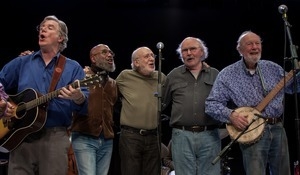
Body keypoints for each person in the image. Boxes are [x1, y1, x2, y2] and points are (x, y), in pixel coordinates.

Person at [0, 15, 88, 175]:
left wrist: (78, 97)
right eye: (41, 27)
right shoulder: (22, 62)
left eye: (49, 27)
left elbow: (85, 105)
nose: (43, 29)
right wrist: (3, 102)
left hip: (54, 137)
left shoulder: (73, 67)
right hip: (20, 136)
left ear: (61, 37)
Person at [205, 31, 300, 175]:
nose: (255, 47)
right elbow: (211, 104)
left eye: (257, 43)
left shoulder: (272, 68)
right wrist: (231, 116)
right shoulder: (227, 74)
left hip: (277, 127)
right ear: (240, 49)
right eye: (249, 44)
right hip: (251, 131)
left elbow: (293, 88)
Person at [162, 36, 221, 175]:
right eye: (184, 50)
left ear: (202, 52)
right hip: (182, 135)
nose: (188, 53)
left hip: (210, 135)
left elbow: (226, 103)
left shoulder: (215, 74)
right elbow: (162, 103)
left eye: (192, 49)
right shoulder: (173, 75)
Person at [116, 46, 166, 175]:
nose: (151, 59)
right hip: (131, 137)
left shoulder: (161, 78)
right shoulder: (125, 76)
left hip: (154, 137)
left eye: (152, 55)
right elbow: (108, 90)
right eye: (146, 56)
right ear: (136, 62)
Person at [70, 44, 118, 175]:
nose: (109, 55)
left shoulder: (113, 84)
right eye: (104, 52)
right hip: (84, 136)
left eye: (111, 53)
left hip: (107, 139)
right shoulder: (81, 76)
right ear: (93, 58)